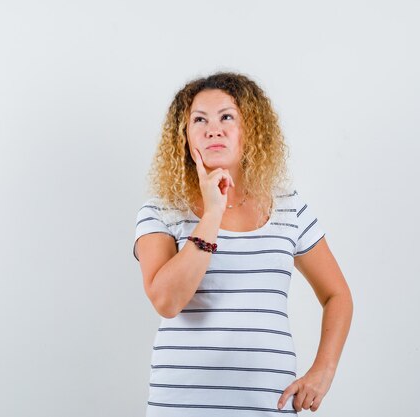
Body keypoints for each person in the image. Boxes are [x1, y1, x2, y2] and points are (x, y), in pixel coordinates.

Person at [133, 72, 353, 416]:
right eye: (199, 120)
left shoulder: (288, 208)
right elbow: (166, 301)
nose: (213, 129)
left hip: (268, 405)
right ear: (184, 136)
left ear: (249, 130)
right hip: (182, 406)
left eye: (227, 117)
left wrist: (323, 372)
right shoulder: (162, 210)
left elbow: (337, 295)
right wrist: (212, 215)